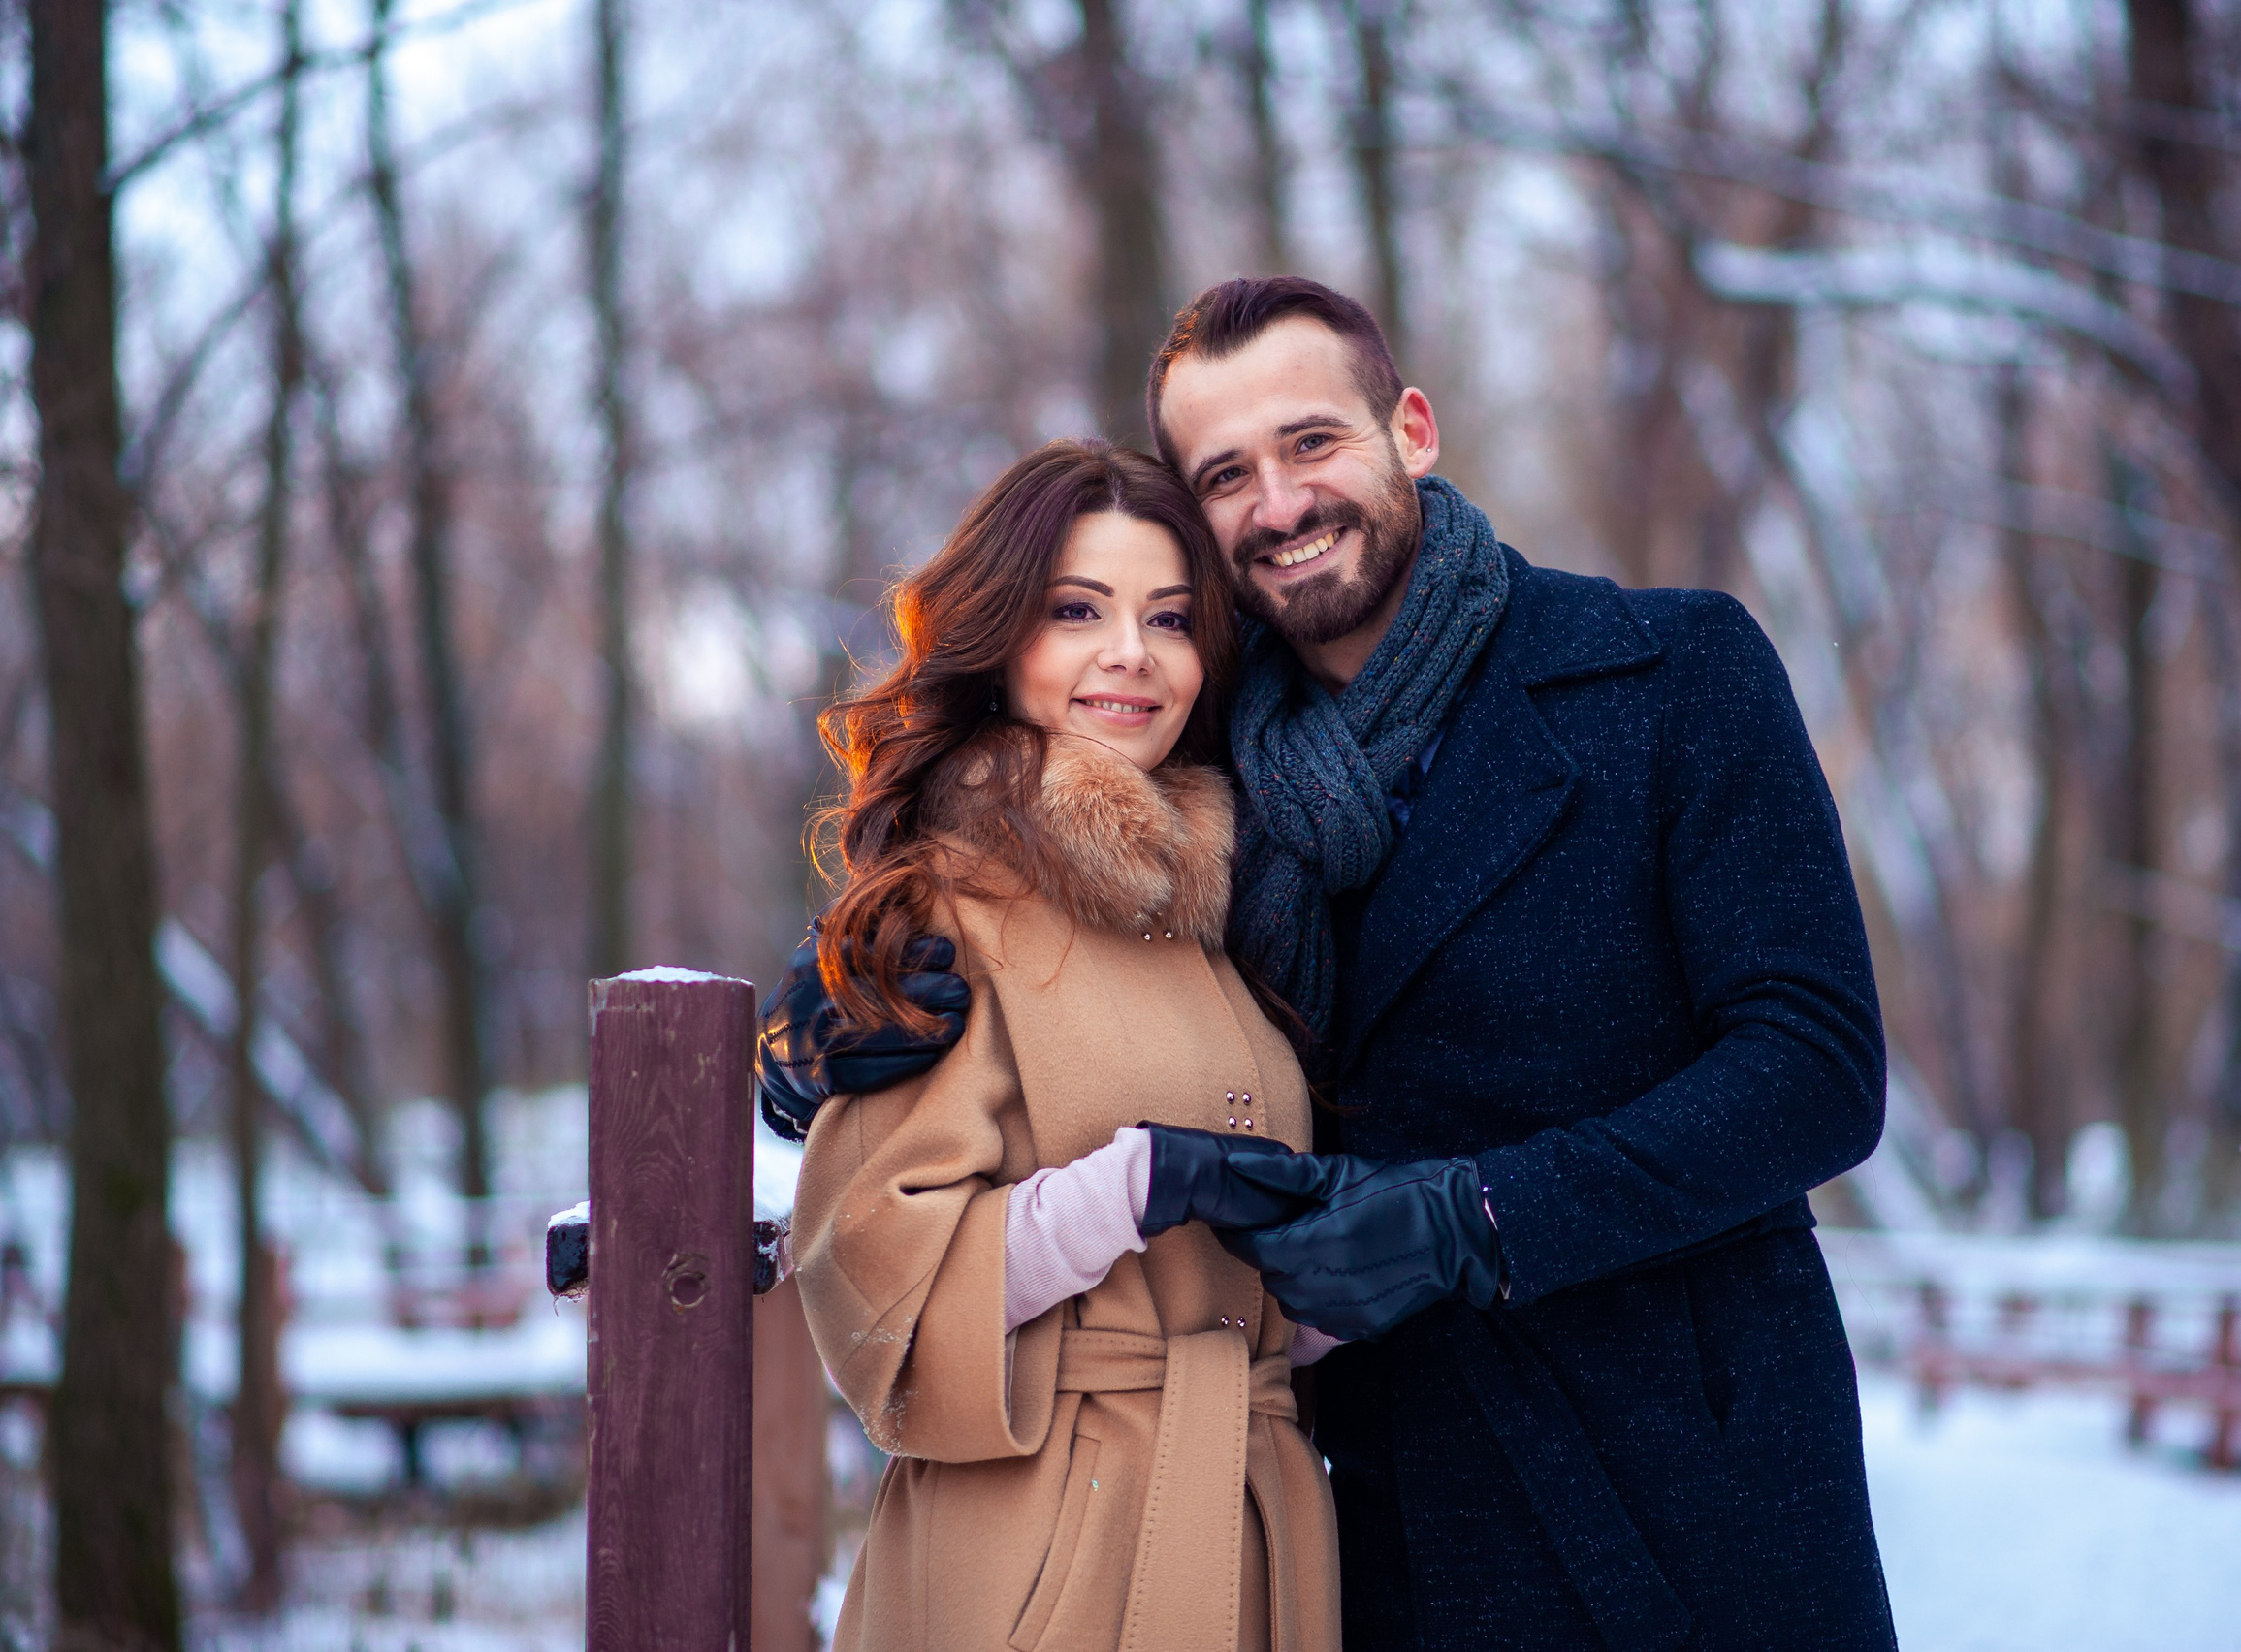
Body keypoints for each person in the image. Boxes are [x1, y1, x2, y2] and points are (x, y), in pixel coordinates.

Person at [773, 277, 1899, 1651]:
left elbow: (1814, 1071)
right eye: (1227, 474)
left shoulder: (1671, 673)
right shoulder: (1203, 767)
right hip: (1384, 1513)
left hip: (1680, 1471)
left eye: (1312, 443)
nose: (1283, 503)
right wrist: (841, 991)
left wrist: (1477, 1218)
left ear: (1410, 429)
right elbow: (1027, 859)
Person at [770, 440, 1344, 1652]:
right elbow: (878, 1292)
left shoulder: (1218, 914)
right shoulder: (939, 911)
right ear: (997, 639)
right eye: (1076, 610)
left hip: (1252, 1531)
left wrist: (1355, 1259)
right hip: (1041, 1557)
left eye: (1171, 617)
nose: (1130, 654)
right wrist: (1129, 1191)